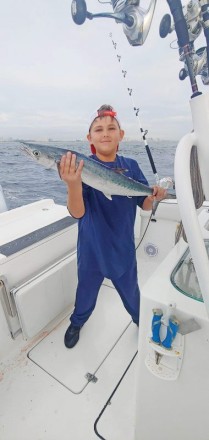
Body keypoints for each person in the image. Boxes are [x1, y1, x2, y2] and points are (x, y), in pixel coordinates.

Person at [60, 104, 167, 348]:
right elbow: (77, 212)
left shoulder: (131, 165)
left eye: (111, 128)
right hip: (91, 250)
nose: (105, 133)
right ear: (90, 138)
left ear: (121, 135)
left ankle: (140, 320)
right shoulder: (80, 167)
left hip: (122, 248)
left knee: (131, 292)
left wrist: (153, 196)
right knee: (85, 294)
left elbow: (145, 205)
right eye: (98, 129)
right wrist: (73, 184)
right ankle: (77, 322)